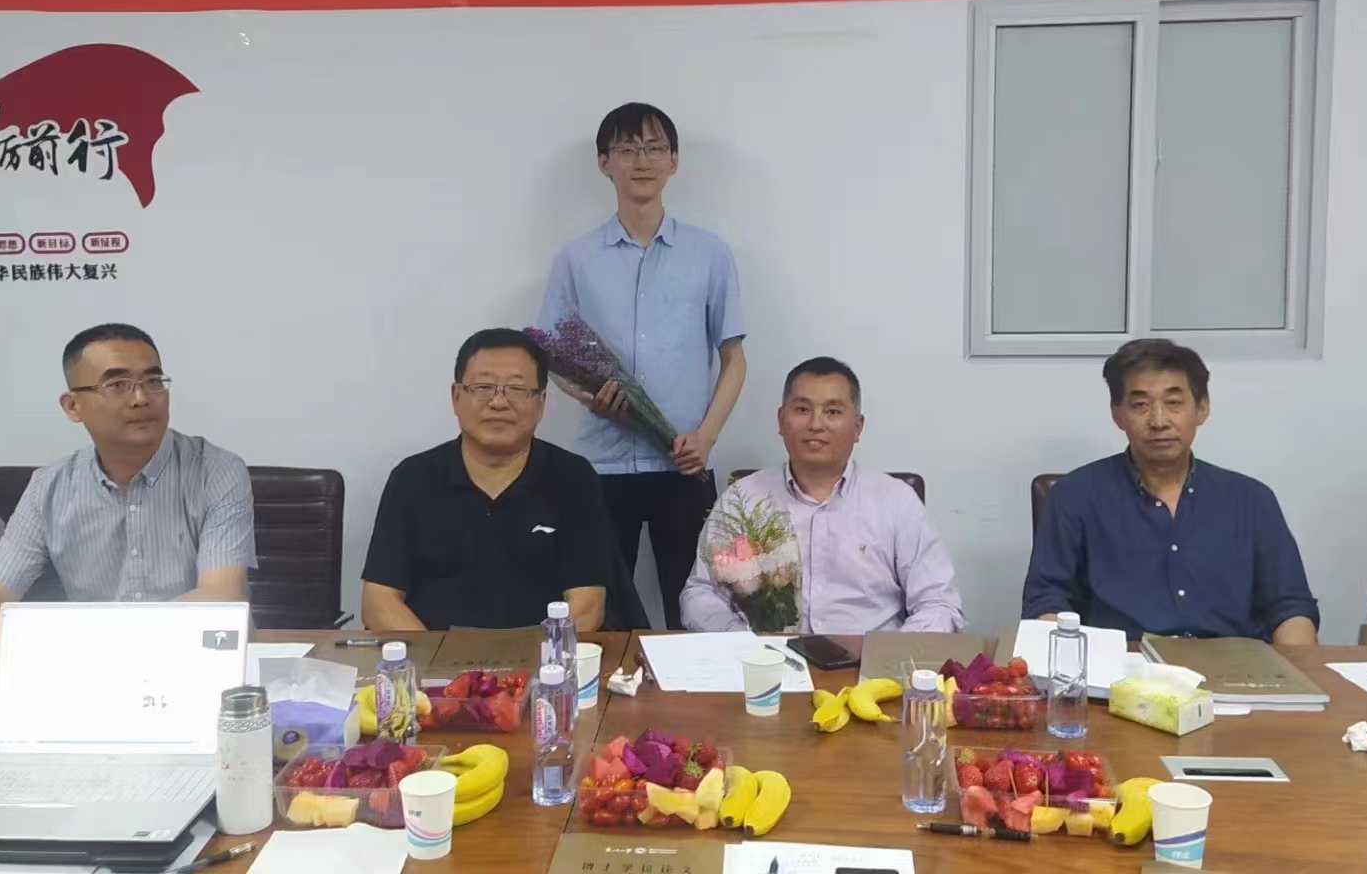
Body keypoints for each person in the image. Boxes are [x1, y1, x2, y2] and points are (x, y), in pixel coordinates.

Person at [538, 102, 746, 629]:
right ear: (604, 162)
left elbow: (734, 359)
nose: (642, 161)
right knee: (602, 611)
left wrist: (706, 437)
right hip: (603, 466)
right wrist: (588, 397)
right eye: (627, 149)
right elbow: (552, 356)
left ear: (674, 161)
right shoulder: (576, 259)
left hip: (683, 462)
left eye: (654, 148)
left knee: (696, 611)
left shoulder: (709, 254)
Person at [0, 323, 256, 660]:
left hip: (195, 656)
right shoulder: (49, 486)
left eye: (153, 382)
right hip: (91, 663)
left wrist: (101, 636)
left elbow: (220, 599)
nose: (141, 399)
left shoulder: (216, 471)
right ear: (73, 406)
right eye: (117, 385)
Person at [1021, 338, 1320, 645]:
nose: (1158, 421)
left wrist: (1296, 669)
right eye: (1140, 405)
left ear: (1202, 408)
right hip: (1122, 662)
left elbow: (1289, 606)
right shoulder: (1073, 497)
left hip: (1231, 662)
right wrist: (1068, 664)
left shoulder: (1252, 501)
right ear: (1118, 414)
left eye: (1174, 403)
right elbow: (1046, 601)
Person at [679, 357, 964, 634]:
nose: (816, 424)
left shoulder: (897, 502)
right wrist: (743, 643)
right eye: (802, 409)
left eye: (833, 412)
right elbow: (701, 593)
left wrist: (886, 655)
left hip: (869, 660)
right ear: (781, 420)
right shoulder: (742, 499)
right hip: (765, 657)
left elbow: (938, 604)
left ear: (857, 427)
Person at [361, 329, 615, 631]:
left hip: (541, 656)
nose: (498, 402)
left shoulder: (573, 477)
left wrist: (533, 658)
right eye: (483, 387)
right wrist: (439, 657)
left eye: (517, 389)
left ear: (541, 402)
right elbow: (379, 602)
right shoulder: (412, 478)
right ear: (456, 397)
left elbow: (587, 605)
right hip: (433, 657)